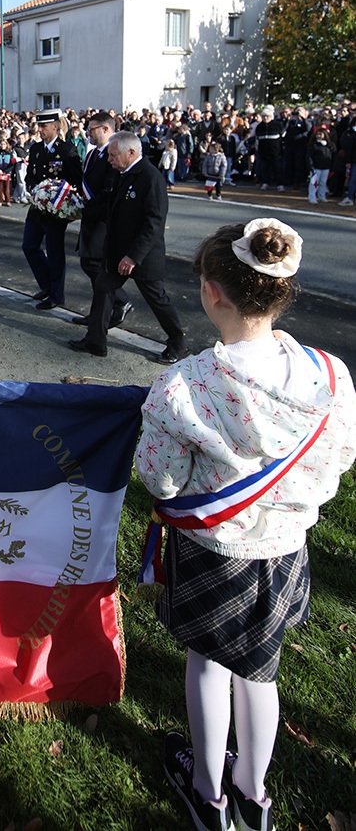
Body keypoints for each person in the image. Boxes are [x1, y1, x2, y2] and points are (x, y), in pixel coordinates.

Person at [135, 217, 356, 831]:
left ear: (211, 292)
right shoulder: (333, 375)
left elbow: (162, 481)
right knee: (263, 665)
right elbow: (338, 461)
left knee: (208, 662)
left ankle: (209, 795)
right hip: (287, 547)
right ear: (283, 289)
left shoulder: (184, 385)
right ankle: (252, 794)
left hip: (213, 549)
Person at [68, 131, 187, 362]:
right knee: (102, 288)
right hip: (116, 251)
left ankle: (178, 343)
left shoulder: (151, 177)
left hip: (141, 256)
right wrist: (78, 211)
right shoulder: (121, 173)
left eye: (113, 155)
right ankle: (95, 341)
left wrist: (133, 257)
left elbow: (154, 223)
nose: (109, 159)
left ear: (131, 153)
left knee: (157, 299)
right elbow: (109, 208)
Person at [71, 111, 133, 329]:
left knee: (96, 266)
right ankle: (98, 314)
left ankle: (119, 302)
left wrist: (85, 210)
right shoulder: (92, 154)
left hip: (102, 221)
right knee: (89, 265)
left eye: (92, 129)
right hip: (90, 217)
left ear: (106, 129)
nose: (87, 132)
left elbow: (108, 191)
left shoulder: (113, 154)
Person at [22, 110, 82, 310]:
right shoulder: (36, 149)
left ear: (55, 126)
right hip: (38, 207)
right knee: (29, 246)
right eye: (38, 126)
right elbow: (30, 175)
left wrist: (60, 197)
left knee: (55, 252)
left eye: (43, 126)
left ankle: (57, 295)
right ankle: (47, 285)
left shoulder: (67, 150)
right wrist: (35, 190)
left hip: (56, 209)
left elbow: (75, 179)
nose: (39, 130)